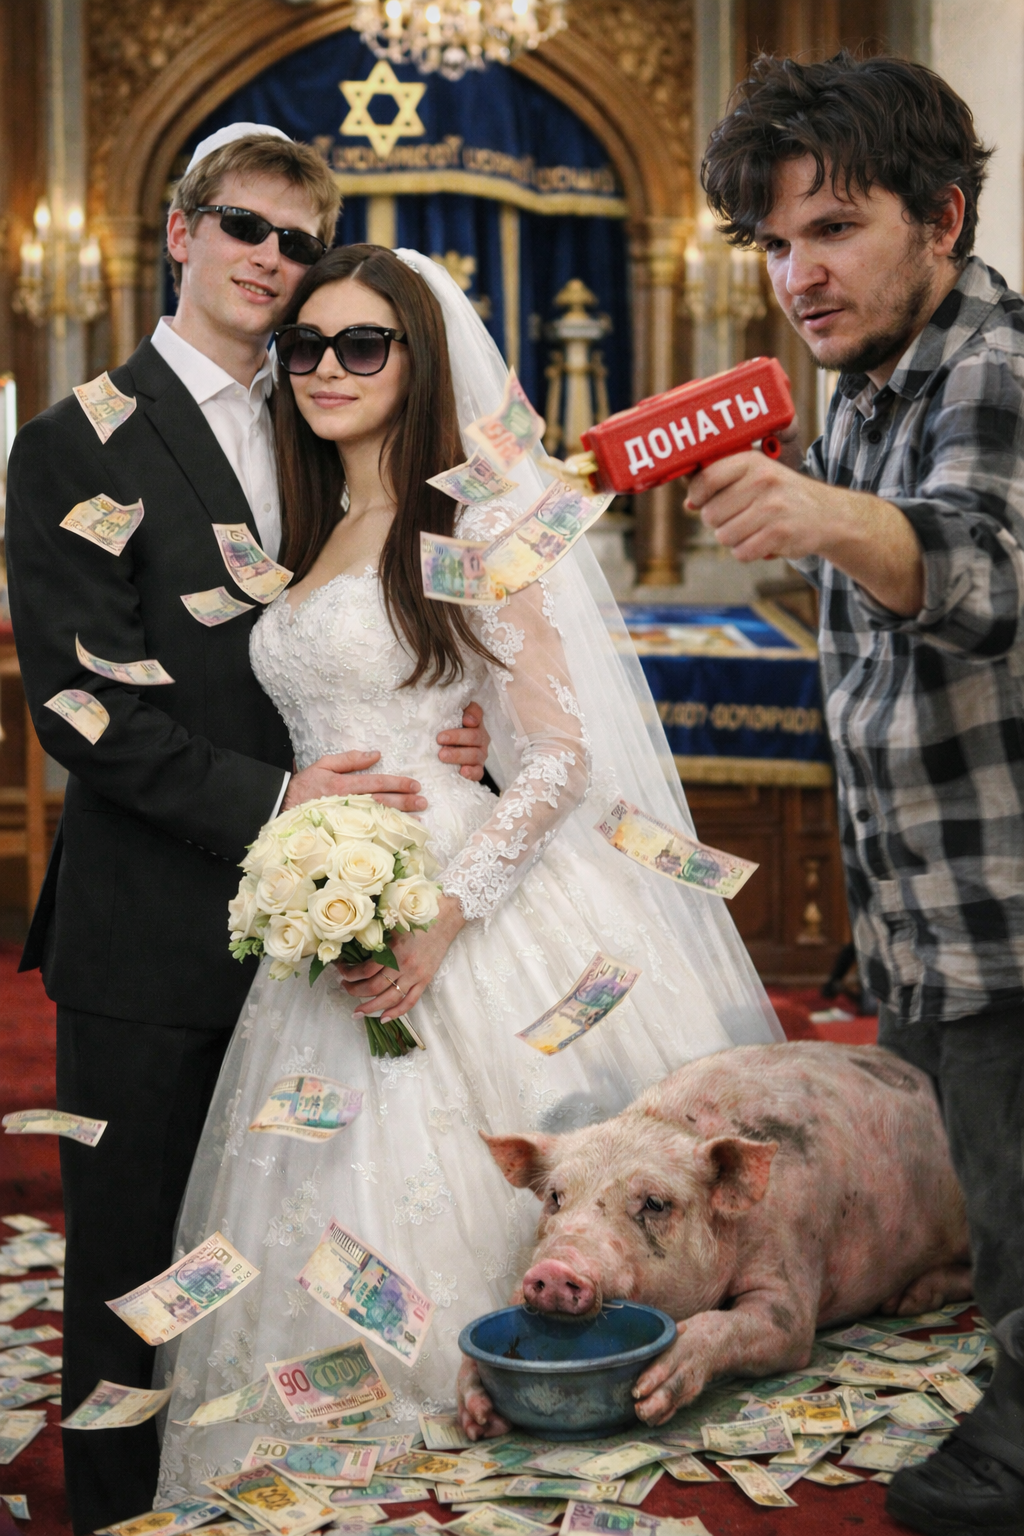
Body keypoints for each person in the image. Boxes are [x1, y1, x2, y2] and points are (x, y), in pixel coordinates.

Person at [155, 242, 781, 1499]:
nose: (327, 368)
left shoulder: (477, 519)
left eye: (362, 344)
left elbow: (558, 753)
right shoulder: (304, 527)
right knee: (314, 1201)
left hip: (460, 893)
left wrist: (444, 914)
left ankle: (517, 1409)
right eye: (305, 345)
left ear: (419, 359)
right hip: (323, 905)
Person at [5, 127, 491, 1536]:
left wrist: (449, 725)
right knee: (137, 1264)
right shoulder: (76, 440)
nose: (270, 260)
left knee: (278, 1249)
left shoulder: (324, 412)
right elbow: (84, 708)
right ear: (182, 232)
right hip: (153, 930)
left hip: (320, 941)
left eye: (295, 241)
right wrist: (285, 806)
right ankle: (116, 1514)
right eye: (243, 226)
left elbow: (388, 622)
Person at [695, 51, 1024, 1536]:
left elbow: (984, 576)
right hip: (918, 908)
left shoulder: (993, 363)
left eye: (833, 228)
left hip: (1004, 908)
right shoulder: (866, 381)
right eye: (774, 243)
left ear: (940, 217)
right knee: (970, 1209)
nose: (797, 276)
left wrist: (824, 513)